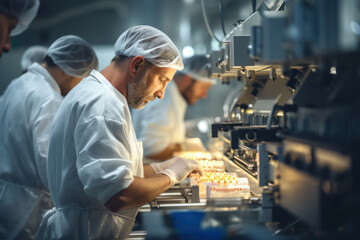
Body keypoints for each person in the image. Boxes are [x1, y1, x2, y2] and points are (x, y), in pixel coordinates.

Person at [35, 25, 203, 240]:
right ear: (137, 65)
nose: (161, 93)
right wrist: (171, 175)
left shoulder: (101, 96)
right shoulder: (102, 105)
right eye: (162, 79)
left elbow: (112, 169)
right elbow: (119, 195)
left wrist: (161, 167)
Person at [0, 35, 98, 240]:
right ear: (65, 70)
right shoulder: (49, 100)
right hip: (29, 211)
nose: (77, 88)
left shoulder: (18, 84)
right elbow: (52, 172)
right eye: (80, 79)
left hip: (7, 200)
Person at [132, 55, 215, 161]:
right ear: (187, 79)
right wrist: (186, 147)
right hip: (151, 172)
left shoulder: (175, 95)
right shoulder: (166, 96)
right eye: (204, 88)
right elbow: (150, 148)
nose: (204, 95)